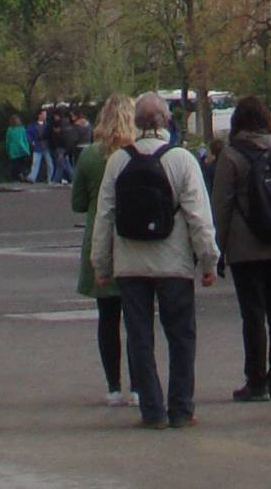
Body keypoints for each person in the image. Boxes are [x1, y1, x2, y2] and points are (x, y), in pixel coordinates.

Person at [90, 91, 219, 429]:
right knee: (181, 336)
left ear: (137, 123)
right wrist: (208, 261)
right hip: (173, 262)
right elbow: (198, 217)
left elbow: (104, 217)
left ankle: (151, 409)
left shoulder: (118, 161)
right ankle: (181, 407)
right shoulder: (182, 160)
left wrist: (101, 265)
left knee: (139, 336)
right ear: (166, 122)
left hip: (131, 263)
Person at [211, 93, 271, 403]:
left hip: (246, 247)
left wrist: (218, 250)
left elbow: (222, 207)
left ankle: (256, 380)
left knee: (253, 314)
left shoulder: (231, 156)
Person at [73, 92, 136, 404]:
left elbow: (78, 204)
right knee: (138, 319)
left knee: (107, 319)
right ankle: (139, 384)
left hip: (100, 239)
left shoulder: (90, 156)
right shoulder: (138, 151)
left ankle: (113, 386)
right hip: (134, 239)